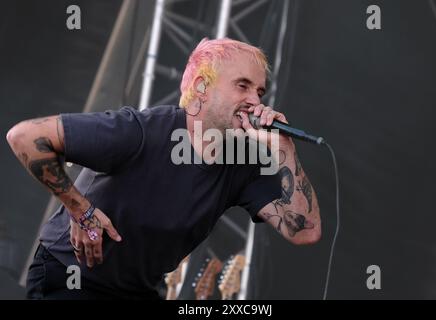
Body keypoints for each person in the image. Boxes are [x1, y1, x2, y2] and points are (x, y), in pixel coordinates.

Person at [6, 38, 321, 299]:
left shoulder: (243, 160)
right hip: (71, 279)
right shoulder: (140, 131)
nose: (256, 100)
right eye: (243, 86)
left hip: (138, 290)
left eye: (260, 92)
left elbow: (305, 232)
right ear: (201, 86)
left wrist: (285, 150)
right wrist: (81, 210)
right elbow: (26, 137)